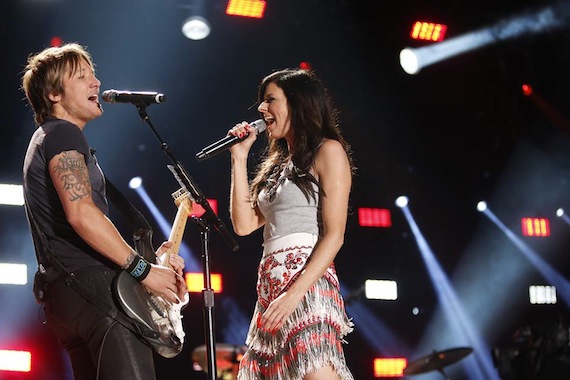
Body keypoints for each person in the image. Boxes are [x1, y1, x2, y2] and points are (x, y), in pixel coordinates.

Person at [21, 42, 188, 380]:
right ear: (54, 94)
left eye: (94, 74)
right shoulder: (63, 134)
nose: (96, 82)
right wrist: (144, 271)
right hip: (93, 290)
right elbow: (82, 214)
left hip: (66, 295)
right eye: (83, 77)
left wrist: (148, 258)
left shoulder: (47, 138)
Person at [228, 68, 355, 380]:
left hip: (306, 285)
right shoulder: (278, 166)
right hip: (271, 289)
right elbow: (244, 225)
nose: (261, 109)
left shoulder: (328, 151)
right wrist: (239, 158)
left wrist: (295, 293)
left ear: (297, 102)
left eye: (270, 100)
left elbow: (335, 235)